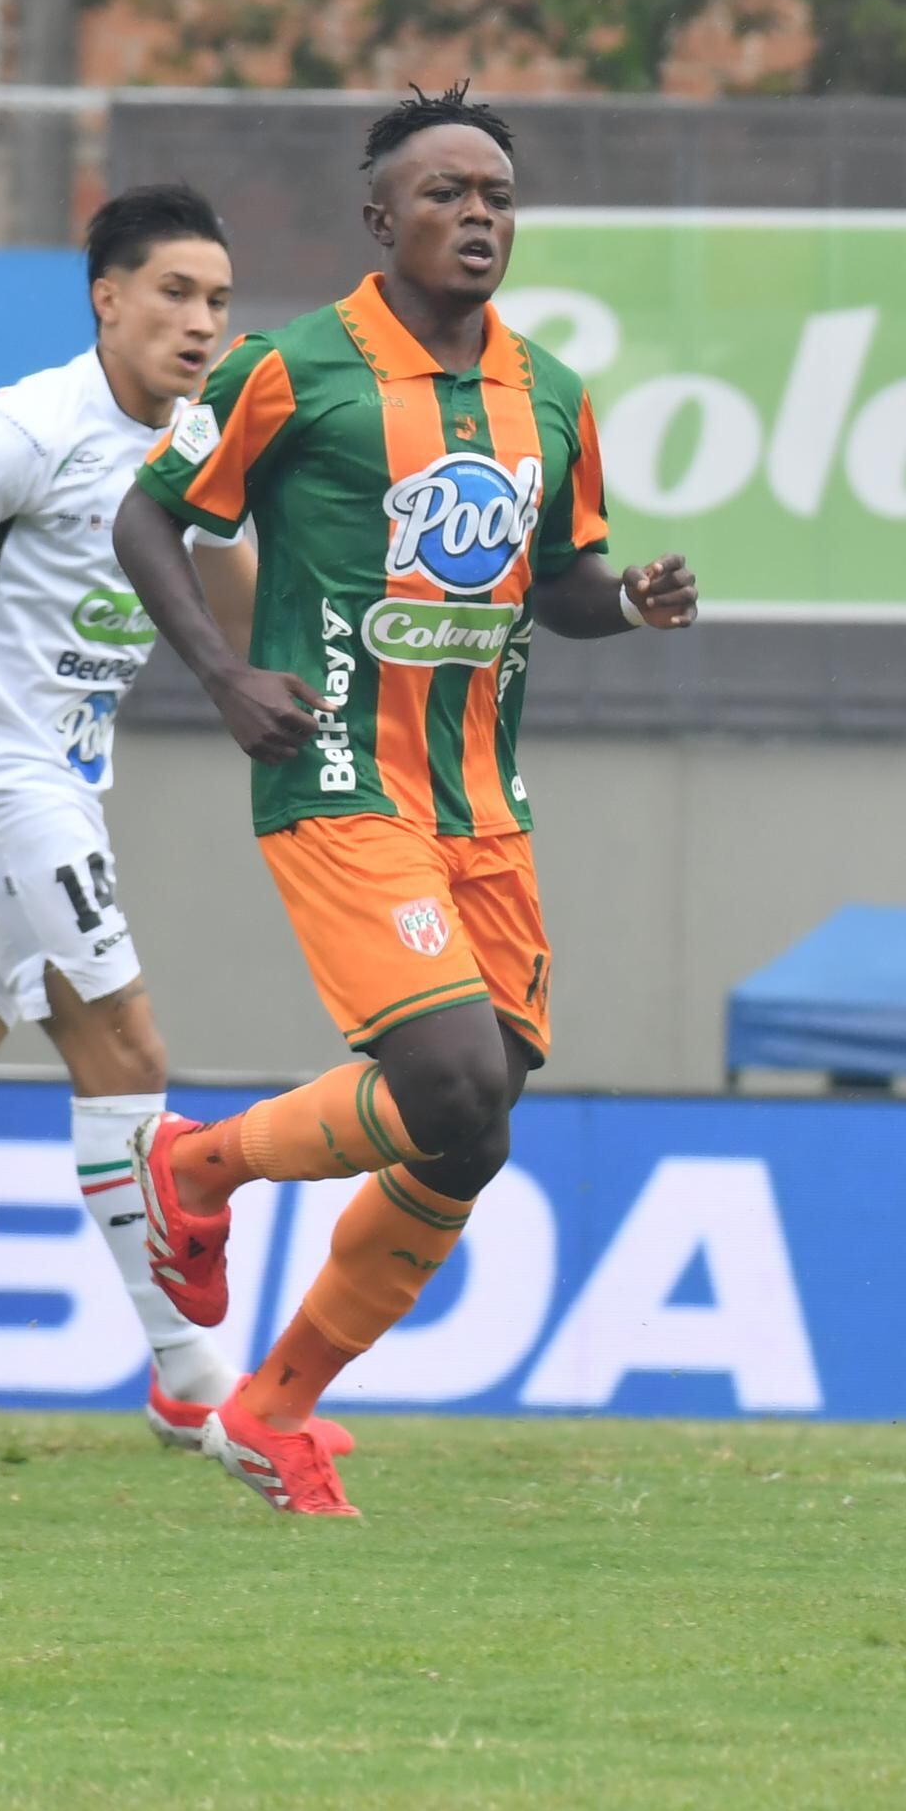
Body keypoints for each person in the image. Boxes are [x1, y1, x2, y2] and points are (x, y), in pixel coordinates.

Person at [114, 84, 700, 1518]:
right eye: (445, 194)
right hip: (335, 774)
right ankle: (194, 1168)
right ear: (380, 221)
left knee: (476, 1126)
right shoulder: (291, 369)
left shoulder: (548, 393)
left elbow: (557, 583)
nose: (478, 217)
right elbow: (151, 516)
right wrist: (222, 676)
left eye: (497, 195)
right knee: (445, 1079)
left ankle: (272, 1407)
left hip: (481, 802)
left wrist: (623, 601)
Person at [0, 184, 261, 1437]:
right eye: (173, 292)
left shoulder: (194, 441)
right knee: (128, 1055)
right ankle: (195, 1382)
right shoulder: (29, 427)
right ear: (107, 298)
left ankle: (186, 1374)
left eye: (215, 298)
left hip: (64, 781)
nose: (200, 320)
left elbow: (233, 614)